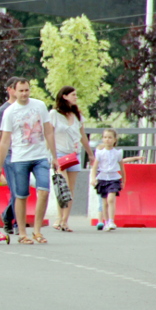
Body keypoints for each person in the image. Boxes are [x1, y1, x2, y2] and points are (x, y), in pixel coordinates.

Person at [0, 78, 59, 244]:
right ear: (14, 91)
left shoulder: (39, 106)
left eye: (26, 90)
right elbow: (4, 140)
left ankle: (37, 231)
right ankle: (23, 233)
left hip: (40, 157)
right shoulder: (10, 112)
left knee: (43, 191)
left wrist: (55, 156)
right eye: (21, 90)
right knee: (21, 196)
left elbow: (49, 132)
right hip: (19, 158)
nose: (24, 94)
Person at [51, 85, 94, 233]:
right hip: (59, 153)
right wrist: (51, 155)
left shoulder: (77, 115)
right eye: (73, 95)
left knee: (71, 189)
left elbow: (82, 135)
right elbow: (49, 135)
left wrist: (90, 153)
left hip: (73, 154)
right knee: (63, 186)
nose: (76, 97)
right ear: (65, 96)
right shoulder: (54, 114)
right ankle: (59, 217)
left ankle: (65, 220)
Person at [0, 76, 21, 235]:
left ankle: (7, 215)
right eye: (18, 89)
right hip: (9, 155)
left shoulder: (26, 108)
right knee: (16, 190)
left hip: (23, 153)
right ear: (10, 90)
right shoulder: (3, 111)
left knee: (21, 190)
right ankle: (17, 222)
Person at [89, 128, 125, 231]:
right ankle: (106, 221)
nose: (107, 140)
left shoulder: (117, 153)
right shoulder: (100, 153)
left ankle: (111, 220)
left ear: (114, 139)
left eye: (110, 137)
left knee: (111, 199)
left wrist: (123, 180)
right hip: (103, 178)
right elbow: (95, 167)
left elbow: (122, 168)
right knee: (104, 202)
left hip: (114, 178)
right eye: (105, 137)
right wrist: (93, 178)